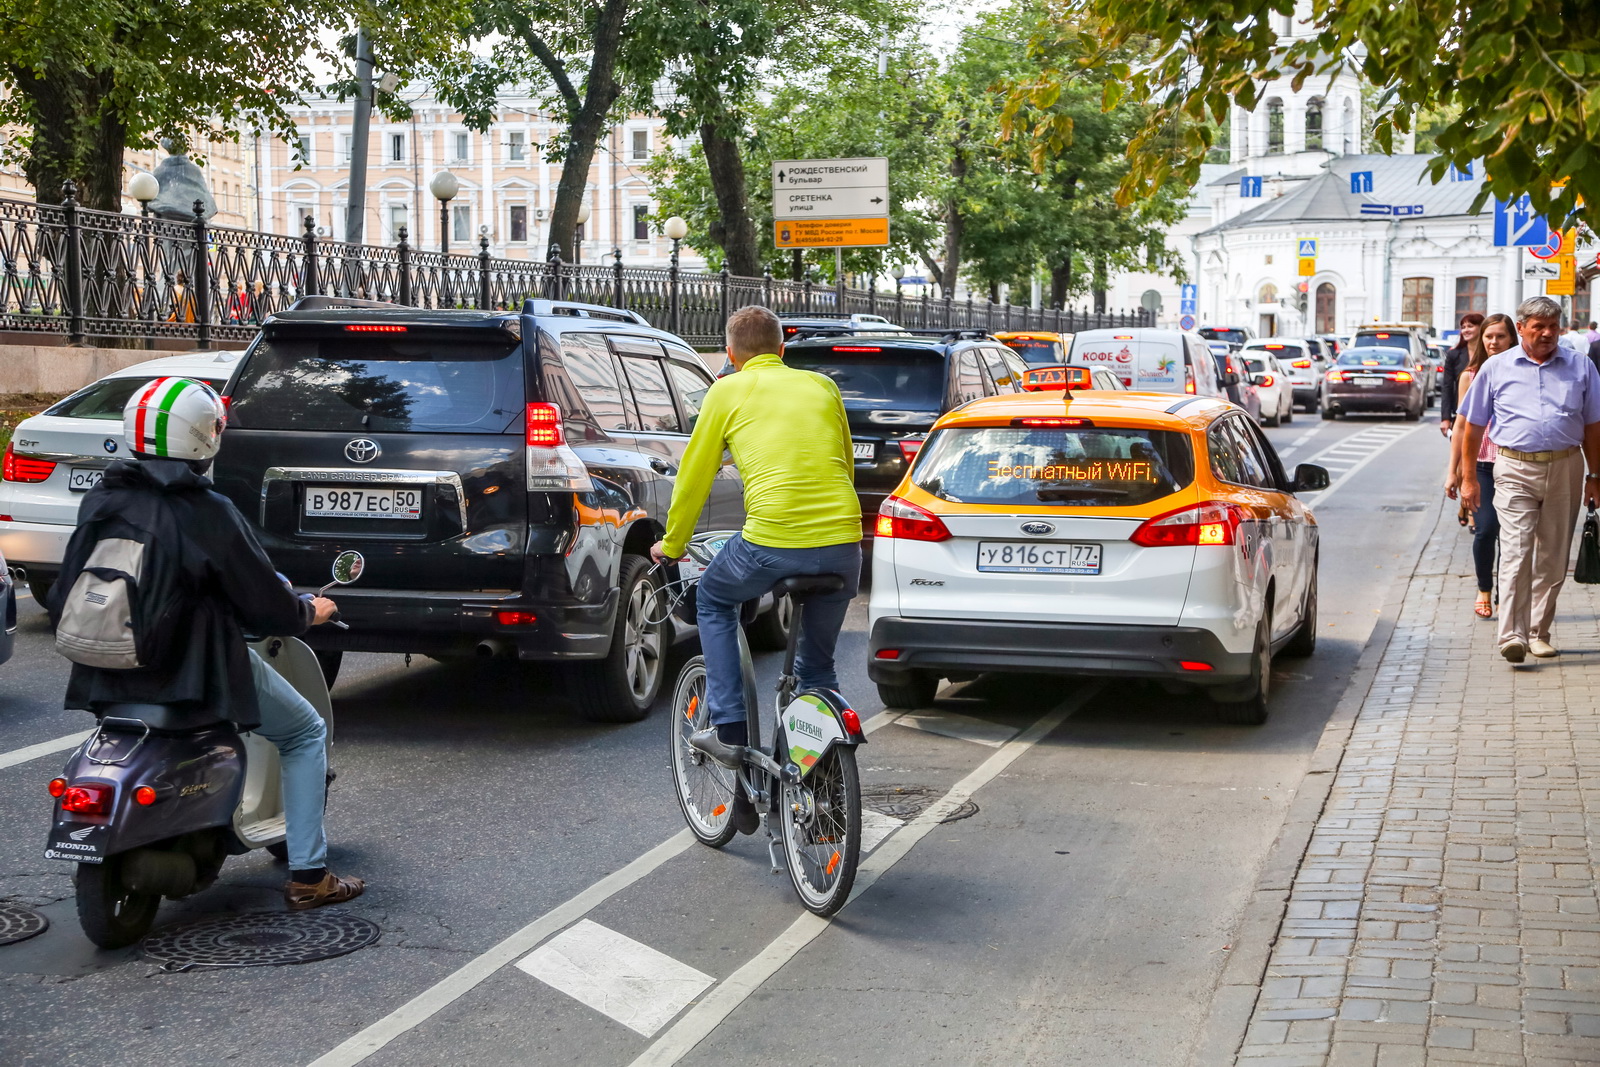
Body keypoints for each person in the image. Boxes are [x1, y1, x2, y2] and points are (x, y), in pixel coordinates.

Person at [50, 378, 365, 909]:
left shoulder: (104, 499)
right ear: (203, 437)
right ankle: (310, 876)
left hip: (105, 670)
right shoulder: (207, 511)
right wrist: (308, 611)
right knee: (305, 732)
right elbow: (265, 605)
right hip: (194, 670)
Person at [650, 306, 862, 833]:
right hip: (844, 545)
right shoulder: (822, 388)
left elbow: (692, 479)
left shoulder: (724, 392)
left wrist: (672, 545)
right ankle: (823, 787)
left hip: (771, 542)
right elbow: (844, 461)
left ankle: (729, 729)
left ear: (730, 355)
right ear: (782, 349)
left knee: (715, 598)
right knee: (817, 671)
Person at [1458, 297, 1600, 663]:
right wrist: (1468, 477)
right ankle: (1512, 636)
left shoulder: (1581, 366)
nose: (1548, 333)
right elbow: (1472, 426)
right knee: (1517, 551)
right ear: (1521, 328)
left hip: (1566, 466)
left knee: (1553, 557)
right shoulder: (1497, 367)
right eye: (1539, 326)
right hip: (1514, 469)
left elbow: (1593, 426)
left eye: (1553, 326)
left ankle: (1539, 632)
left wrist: (1594, 476)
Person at [1444, 313, 1515, 618]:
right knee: (1486, 530)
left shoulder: (1519, 372)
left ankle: (1506, 595)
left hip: (1514, 464)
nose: (1494, 342)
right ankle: (1484, 588)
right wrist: (1454, 471)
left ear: (1512, 338)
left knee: (1513, 538)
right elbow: (1461, 426)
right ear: (1481, 340)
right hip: (1483, 466)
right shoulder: (1469, 376)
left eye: (1500, 336)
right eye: (1489, 336)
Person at [1438, 312, 1483, 437]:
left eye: (1470, 326)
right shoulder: (1454, 355)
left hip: (1485, 414)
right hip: (1460, 414)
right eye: (1463, 327)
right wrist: (1445, 418)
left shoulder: (1490, 353)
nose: (1466, 330)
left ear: (1481, 328)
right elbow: (1447, 387)